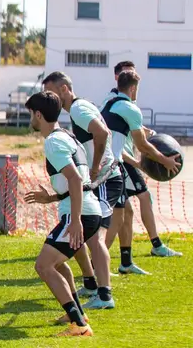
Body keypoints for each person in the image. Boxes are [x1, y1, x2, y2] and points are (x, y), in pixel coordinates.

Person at [39, 72, 118, 310]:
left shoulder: (77, 109)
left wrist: (94, 168)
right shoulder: (79, 108)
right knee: (83, 233)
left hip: (103, 179)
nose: (49, 98)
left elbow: (103, 133)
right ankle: (92, 284)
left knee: (95, 237)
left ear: (64, 89)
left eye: (51, 92)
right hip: (97, 179)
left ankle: (104, 294)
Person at [26, 91, 101, 337]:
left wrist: (76, 220)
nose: (31, 119)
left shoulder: (53, 142)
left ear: (38, 115)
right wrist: (51, 197)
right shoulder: (68, 136)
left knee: (44, 266)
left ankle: (79, 326)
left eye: (31, 114)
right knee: (57, 264)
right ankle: (76, 314)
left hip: (79, 214)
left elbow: (76, 180)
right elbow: (76, 183)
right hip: (86, 210)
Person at [100, 61, 183, 265]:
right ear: (132, 87)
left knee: (125, 211)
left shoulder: (112, 103)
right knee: (125, 211)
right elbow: (143, 145)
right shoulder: (127, 106)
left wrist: (143, 131)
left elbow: (119, 132)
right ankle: (96, 264)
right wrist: (164, 160)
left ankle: (126, 263)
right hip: (116, 163)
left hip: (109, 161)